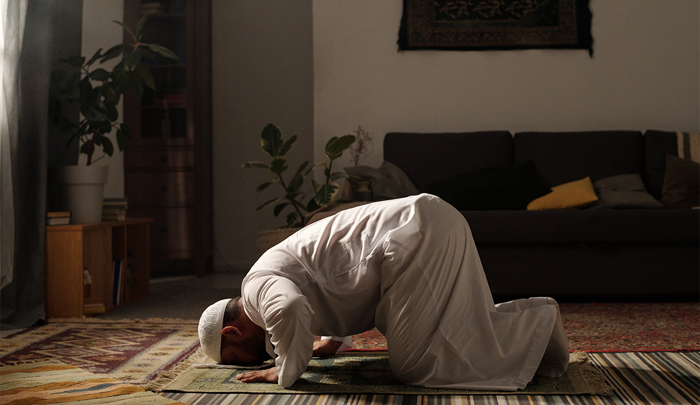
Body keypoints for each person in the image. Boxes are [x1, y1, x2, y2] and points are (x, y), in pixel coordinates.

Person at [198, 194, 569, 390]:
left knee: (416, 366)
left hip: (414, 238)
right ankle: (536, 322)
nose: (250, 364)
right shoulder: (268, 274)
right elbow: (330, 276)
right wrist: (331, 340)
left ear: (232, 332)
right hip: (430, 222)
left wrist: (283, 370)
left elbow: (290, 306)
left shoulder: (254, 289)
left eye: (238, 359)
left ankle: (537, 322)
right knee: (456, 327)